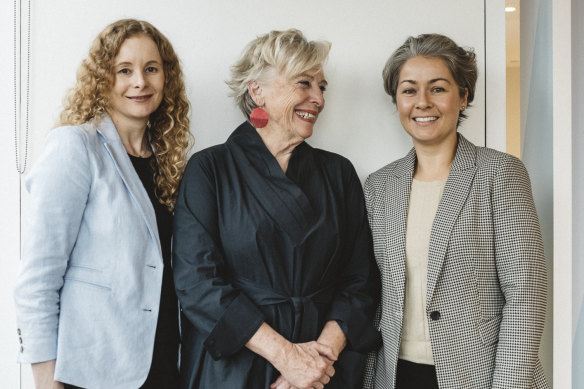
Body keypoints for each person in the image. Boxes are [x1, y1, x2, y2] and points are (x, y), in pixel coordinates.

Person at [172, 29, 380, 389]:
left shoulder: (338, 173)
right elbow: (197, 283)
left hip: (323, 368)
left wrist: (314, 365)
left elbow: (359, 280)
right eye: (304, 83)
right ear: (257, 91)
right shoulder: (210, 170)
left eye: (322, 87)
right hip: (236, 364)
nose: (318, 98)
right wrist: (287, 358)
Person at [13, 19, 192, 389]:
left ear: (166, 77)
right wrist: (46, 382)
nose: (140, 81)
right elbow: (38, 279)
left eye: (151, 69)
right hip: (92, 372)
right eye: (124, 70)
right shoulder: (75, 146)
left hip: (162, 366)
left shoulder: (168, 163)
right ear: (101, 78)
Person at [362, 34, 548, 388]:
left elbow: (526, 295)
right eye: (409, 90)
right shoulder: (379, 186)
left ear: (463, 97)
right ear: (396, 100)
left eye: (437, 88)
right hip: (397, 376)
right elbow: (375, 298)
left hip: (480, 376)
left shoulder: (500, 174)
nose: (422, 102)